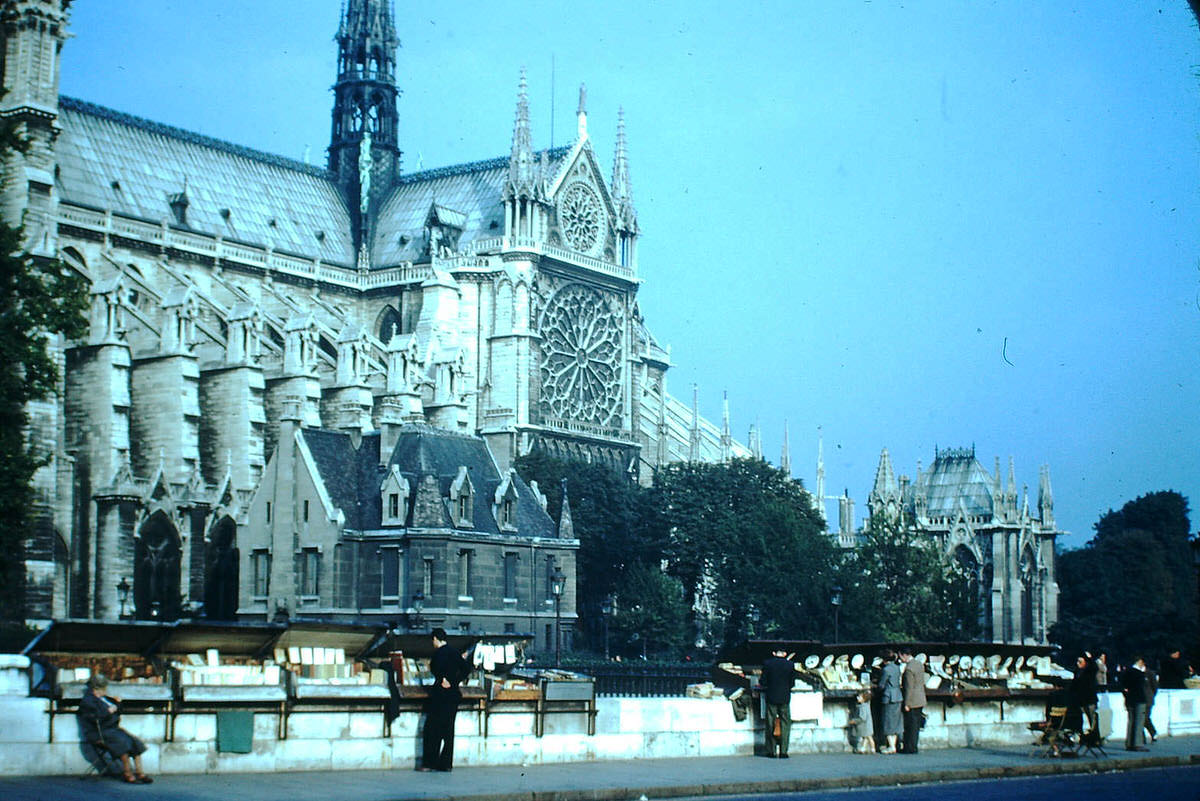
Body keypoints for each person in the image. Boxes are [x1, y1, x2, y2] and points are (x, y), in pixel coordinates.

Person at [76, 674, 152, 784]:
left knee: (134, 742)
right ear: (96, 689)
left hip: (112, 729)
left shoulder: (105, 698)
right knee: (122, 743)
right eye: (104, 688)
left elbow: (118, 710)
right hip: (99, 732)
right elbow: (93, 718)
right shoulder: (88, 701)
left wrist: (118, 703)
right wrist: (108, 711)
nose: (106, 690)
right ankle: (127, 773)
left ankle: (140, 772)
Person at [419, 627, 470, 772]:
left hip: (440, 695)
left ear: (435, 639)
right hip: (453, 695)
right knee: (448, 731)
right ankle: (446, 764)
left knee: (432, 729)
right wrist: (454, 682)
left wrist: (445, 680)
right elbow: (466, 669)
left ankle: (430, 763)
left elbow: (435, 670)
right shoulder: (454, 652)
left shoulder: (438, 655)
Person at [759, 648, 796, 758]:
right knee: (785, 723)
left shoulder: (768, 663)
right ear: (785, 653)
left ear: (774, 653)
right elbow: (792, 683)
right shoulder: (790, 664)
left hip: (771, 697)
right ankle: (784, 751)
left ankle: (771, 751)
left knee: (770, 723)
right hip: (784, 697)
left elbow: (763, 681)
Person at [899, 648, 926, 754]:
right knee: (916, 725)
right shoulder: (919, 664)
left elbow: (909, 687)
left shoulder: (909, 669)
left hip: (913, 700)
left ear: (904, 655)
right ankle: (913, 746)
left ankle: (909, 747)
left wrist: (907, 703)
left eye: (901, 656)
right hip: (920, 697)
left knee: (910, 725)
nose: (900, 659)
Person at [1120, 656, 1149, 751]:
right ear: (1140, 662)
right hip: (1139, 699)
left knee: (1131, 721)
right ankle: (1137, 743)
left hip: (1129, 699)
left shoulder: (1126, 673)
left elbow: (1123, 687)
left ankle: (1129, 743)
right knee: (1139, 722)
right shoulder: (1140, 674)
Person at [877, 649, 902, 754]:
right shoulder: (897, 668)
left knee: (888, 721)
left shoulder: (886, 670)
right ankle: (894, 744)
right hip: (897, 696)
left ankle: (891, 746)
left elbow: (881, 685)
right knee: (896, 722)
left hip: (889, 697)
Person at [1069, 653, 1099, 732]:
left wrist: (1090, 658)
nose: (1078, 663)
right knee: (1082, 718)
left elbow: (1095, 667)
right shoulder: (1077, 672)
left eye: (1080, 661)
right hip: (1081, 699)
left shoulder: (1089, 671)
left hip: (1090, 699)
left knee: (1092, 718)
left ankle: (1094, 736)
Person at [852, 688, 876, 754]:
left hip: (865, 725)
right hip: (867, 724)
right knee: (866, 737)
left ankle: (873, 748)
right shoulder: (866, 705)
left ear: (864, 699)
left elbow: (862, 718)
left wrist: (854, 721)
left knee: (869, 737)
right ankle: (863, 748)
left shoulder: (862, 707)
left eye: (859, 697)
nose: (857, 698)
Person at [1143, 661, 1159, 743]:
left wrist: (1151, 695)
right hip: (1141, 699)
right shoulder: (1138, 673)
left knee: (1145, 718)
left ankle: (1153, 732)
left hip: (1148, 699)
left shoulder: (1150, 673)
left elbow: (1155, 687)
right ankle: (1142, 738)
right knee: (1141, 718)